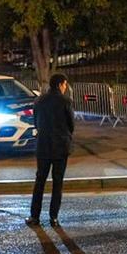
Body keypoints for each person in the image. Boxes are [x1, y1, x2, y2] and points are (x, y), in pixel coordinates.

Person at [26, 73, 74, 227]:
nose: (65, 87)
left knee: (40, 181)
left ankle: (34, 216)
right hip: (60, 146)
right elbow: (71, 125)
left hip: (43, 146)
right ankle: (53, 217)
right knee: (57, 182)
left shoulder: (39, 100)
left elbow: (36, 123)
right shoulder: (66, 101)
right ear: (60, 84)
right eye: (65, 84)